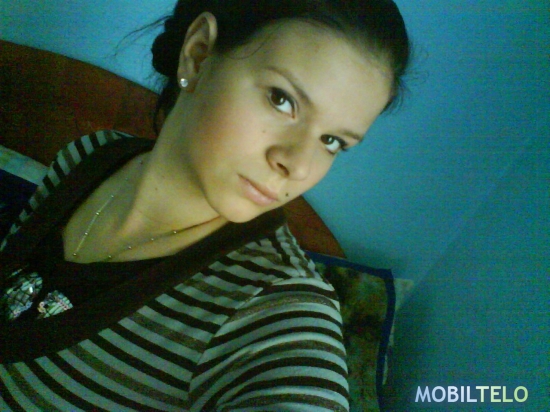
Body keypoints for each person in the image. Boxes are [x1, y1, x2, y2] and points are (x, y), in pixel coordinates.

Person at [0, 0, 410, 410]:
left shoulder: (277, 312)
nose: (299, 165)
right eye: (282, 99)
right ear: (197, 56)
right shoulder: (87, 157)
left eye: (332, 141)